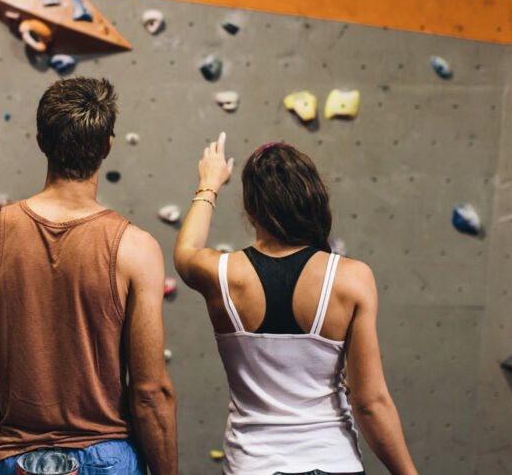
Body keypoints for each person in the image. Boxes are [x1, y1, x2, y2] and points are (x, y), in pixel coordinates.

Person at [0, 77, 177, 475]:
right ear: (108, 146)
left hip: (13, 459)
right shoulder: (136, 249)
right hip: (108, 460)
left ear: (40, 142)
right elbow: (149, 392)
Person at [173, 133, 418, 475]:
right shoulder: (351, 279)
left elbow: (184, 251)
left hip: (252, 466)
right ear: (313, 201)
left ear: (250, 208)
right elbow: (370, 403)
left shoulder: (220, 274)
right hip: (333, 462)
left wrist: (209, 185)